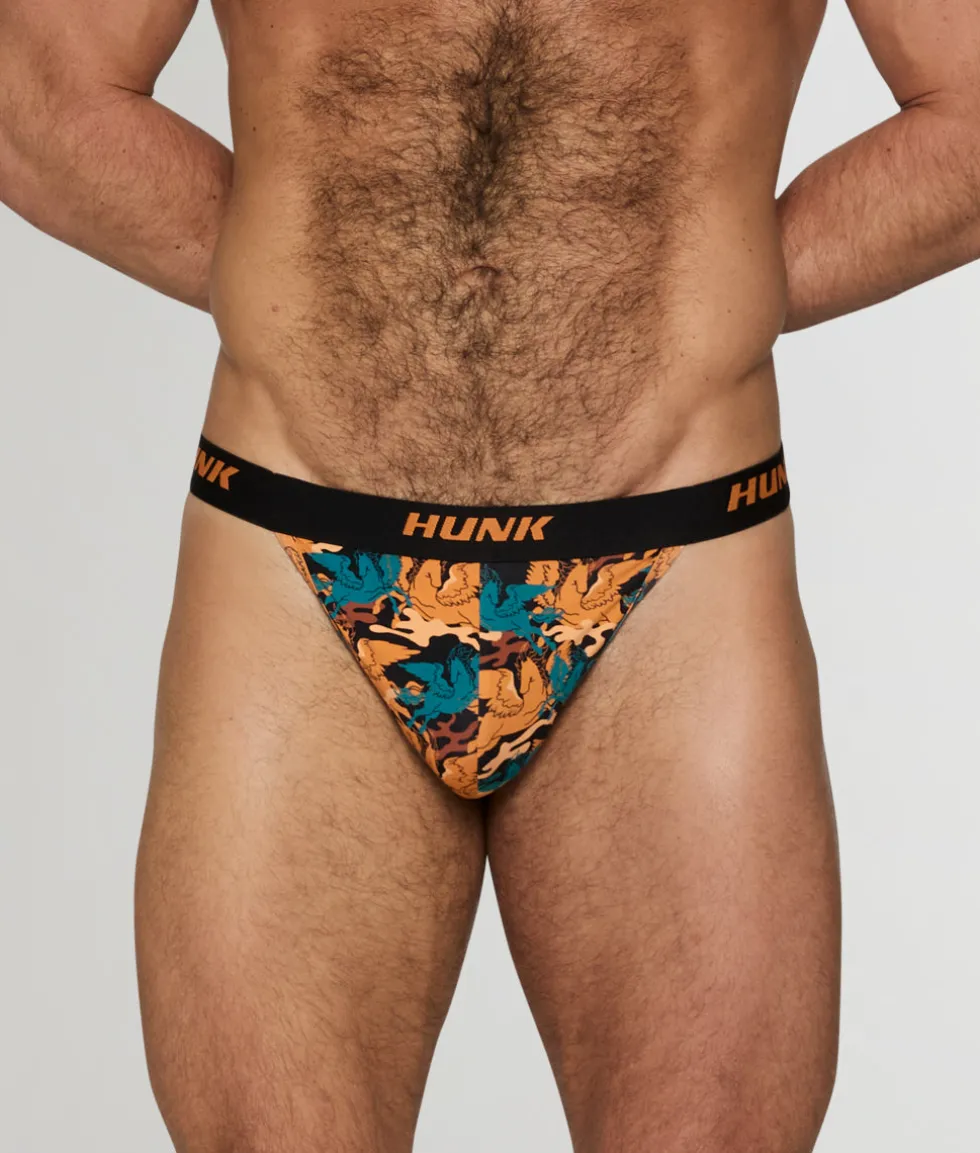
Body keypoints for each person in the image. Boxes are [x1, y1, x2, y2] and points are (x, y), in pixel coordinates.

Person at [2, 2, 978, 1150]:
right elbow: (37, 93)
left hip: (673, 556)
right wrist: (309, 278)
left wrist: (704, 283)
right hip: (296, 540)